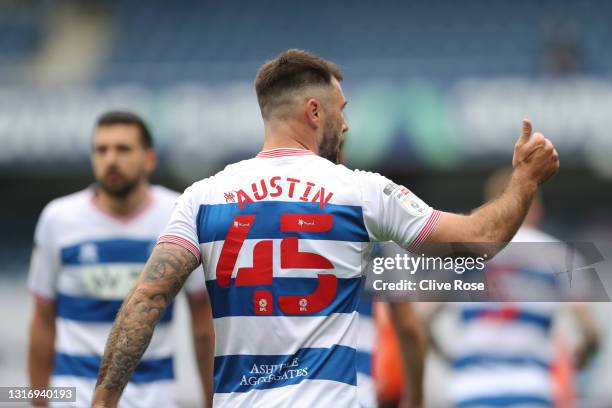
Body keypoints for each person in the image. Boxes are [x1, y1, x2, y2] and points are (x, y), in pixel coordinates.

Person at [92, 49, 559, 407]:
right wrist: (524, 181)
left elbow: (146, 299)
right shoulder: (361, 193)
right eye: (341, 109)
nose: (347, 123)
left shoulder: (202, 197)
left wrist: (103, 401)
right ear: (315, 113)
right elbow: (473, 242)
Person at [27, 111, 214, 407]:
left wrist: (211, 401)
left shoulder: (180, 214)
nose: (111, 159)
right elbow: (42, 319)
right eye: (101, 150)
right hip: (74, 396)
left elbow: (202, 322)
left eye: (123, 149)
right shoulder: (57, 219)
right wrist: (38, 402)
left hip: (156, 398)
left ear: (149, 159)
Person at [425, 169, 600, 408]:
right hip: (531, 388)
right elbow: (591, 333)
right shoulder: (559, 255)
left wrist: (448, 357)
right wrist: (578, 358)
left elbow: (422, 319)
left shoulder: (463, 253)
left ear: (490, 208)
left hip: (471, 388)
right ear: (534, 206)